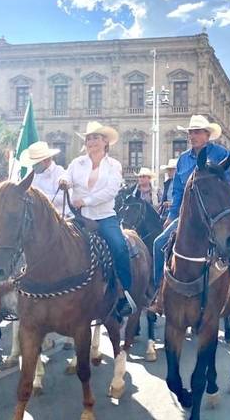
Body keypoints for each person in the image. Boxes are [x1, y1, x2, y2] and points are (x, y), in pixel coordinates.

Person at [151, 114, 230, 311]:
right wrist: (172, 215)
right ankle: (159, 293)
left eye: (197, 132)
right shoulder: (183, 160)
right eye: (191, 132)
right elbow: (178, 191)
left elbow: (226, 185)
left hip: (217, 213)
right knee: (159, 243)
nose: (192, 136)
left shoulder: (220, 154)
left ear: (207, 135)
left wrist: (226, 211)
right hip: (188, 216)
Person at [58, 121, 134, 317]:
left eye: (96, 137)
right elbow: (67, 175)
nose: (91, 141)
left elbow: (111, 191)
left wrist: (86, 201)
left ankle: (124, 294)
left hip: (104, 217)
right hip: (78, 217)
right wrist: (64, 180)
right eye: (89, 138)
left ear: (105, 141)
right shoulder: (77, 163)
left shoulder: (114, 165)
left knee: (119, 246)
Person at [19, 141, 68, 216]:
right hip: (34, 216)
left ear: (47, 159)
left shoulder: (59, 172)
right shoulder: (31, 173)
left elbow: (64, 198)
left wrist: (39, 198)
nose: (34, 166)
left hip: (55, 217)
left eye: (37, 163)